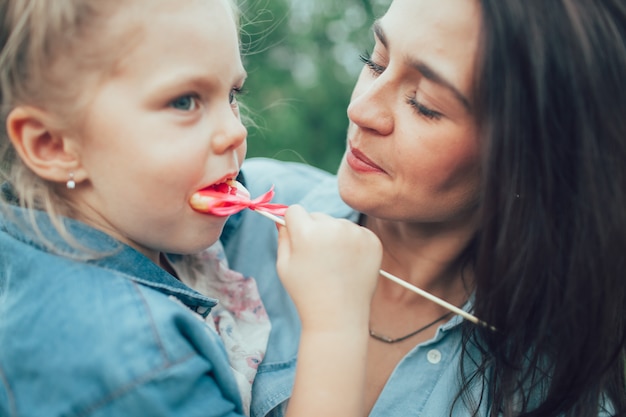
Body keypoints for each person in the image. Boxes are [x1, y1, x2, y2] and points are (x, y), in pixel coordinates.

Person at [222, 0, 626, 416]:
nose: (361, 109)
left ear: (528, 158)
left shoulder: (551, 397)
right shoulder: (233, 215)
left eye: (424, 104)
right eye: (375, 62)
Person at [0, 0, 383, 416]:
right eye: (185, 102)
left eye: (232, 94)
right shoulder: (130, 355)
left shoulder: (131, 228)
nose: (235, 132)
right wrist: (336, 324)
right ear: (53, 145)